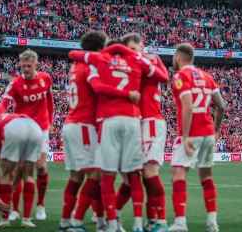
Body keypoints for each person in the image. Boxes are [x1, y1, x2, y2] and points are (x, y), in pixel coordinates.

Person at [69, 40, 155, 232]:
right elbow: (161, 75)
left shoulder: (99, 60)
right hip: (131, 120)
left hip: (107, 121)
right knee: (131, 176)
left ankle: (109, 221)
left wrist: (106, 53)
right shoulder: (135, 60)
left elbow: (73, 54)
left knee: (107, 176)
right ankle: (135, 223)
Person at [112, 33, 170, 232]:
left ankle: (160, 220)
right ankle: (124, 216)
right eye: (130, 51)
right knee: (134, 176)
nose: (133, 54)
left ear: (142, 47)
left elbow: (165, 77)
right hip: (134, 122)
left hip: (151, 121)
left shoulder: (151, 59)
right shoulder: (126, 65)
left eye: (136, 49)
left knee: (149, 172)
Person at [168, 43, 227, 232]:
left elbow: (187, 106)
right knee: (207, 176)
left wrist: (185, 137)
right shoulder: (207, 77)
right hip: (208, 133)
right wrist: (216, 129)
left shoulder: (180, 76)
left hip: (192, 133)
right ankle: (212, 222)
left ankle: (180, 223)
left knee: (179, 174)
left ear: (178, 57)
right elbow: (222, 106)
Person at [60, 31, 114, 232]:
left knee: (76, 176)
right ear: (100, 48)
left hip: (71, 123)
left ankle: (68, 221)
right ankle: (76, 220)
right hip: (84, 125)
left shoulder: (76, 65)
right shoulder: (91, 65)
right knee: (96, 175)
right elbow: (98, 89)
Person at [0, 49, 54, 221]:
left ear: (36, 64)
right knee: (19, 170)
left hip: (41, 128)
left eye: (29, 66)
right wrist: (3, 117)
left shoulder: (46, 78)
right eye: (23, 66)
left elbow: (50, 100)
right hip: (22, 129)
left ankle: (41, 205)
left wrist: (50, 122)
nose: (25, 69)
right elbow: (2, 105)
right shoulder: (15, 84)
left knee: (41, 166)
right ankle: (15, 209)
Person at [0, 113, 44, 228]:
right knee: (26, 175)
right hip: (34, 130)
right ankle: (26, 219)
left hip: (24, 131)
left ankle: (5, 219)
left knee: (8, 175)